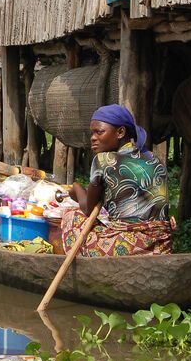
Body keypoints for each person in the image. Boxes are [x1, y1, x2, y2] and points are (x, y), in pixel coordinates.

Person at [63, 104, 173, 257]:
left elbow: (88, 209)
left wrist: (76, 188)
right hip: (161, 245)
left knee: (72, 216)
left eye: (99, 132)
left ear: (120, 132)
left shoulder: (103, 160)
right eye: (92, 133)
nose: (93, 138)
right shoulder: (154, 159)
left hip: (127, 246)